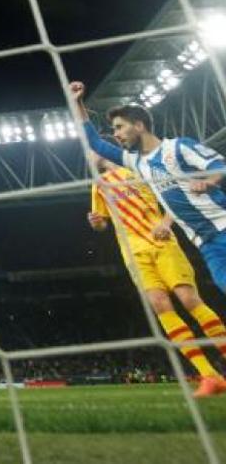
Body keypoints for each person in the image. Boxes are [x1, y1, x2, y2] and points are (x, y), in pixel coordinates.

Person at [88, 153, 226, 398]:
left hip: (162, 243)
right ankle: (209, 376)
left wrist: (165, 223)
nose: (88, 156)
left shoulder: (138, 171)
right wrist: (96, 222)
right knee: (160, 306)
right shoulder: (98, 185)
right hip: (133, 253)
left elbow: (174, 198)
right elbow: (102, 224)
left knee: (189, 300)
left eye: (91, 151)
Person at [72, 81, 226, 293]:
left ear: (139, 125)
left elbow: (219, 165)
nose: (116, 134)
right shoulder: (135, 162)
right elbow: (95, 143)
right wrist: (77, 103)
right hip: (204, 242)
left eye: (119, 127)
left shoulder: (179, 146)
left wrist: (209, 182)